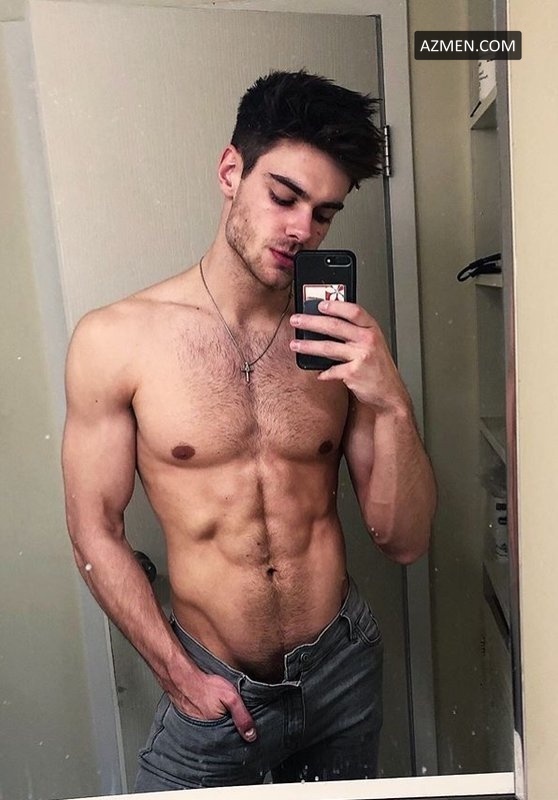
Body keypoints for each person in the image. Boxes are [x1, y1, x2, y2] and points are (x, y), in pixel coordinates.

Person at [61, 70, 436, 791]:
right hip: (212, 685)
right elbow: (93, 528)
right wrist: (176, 673)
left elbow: (406, 540)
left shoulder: (341, 345)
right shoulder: (116, 340)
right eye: (284, 197)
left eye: (324, 214)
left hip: (342, 670)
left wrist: (391, 400)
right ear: (231, 171)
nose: (302, 230)